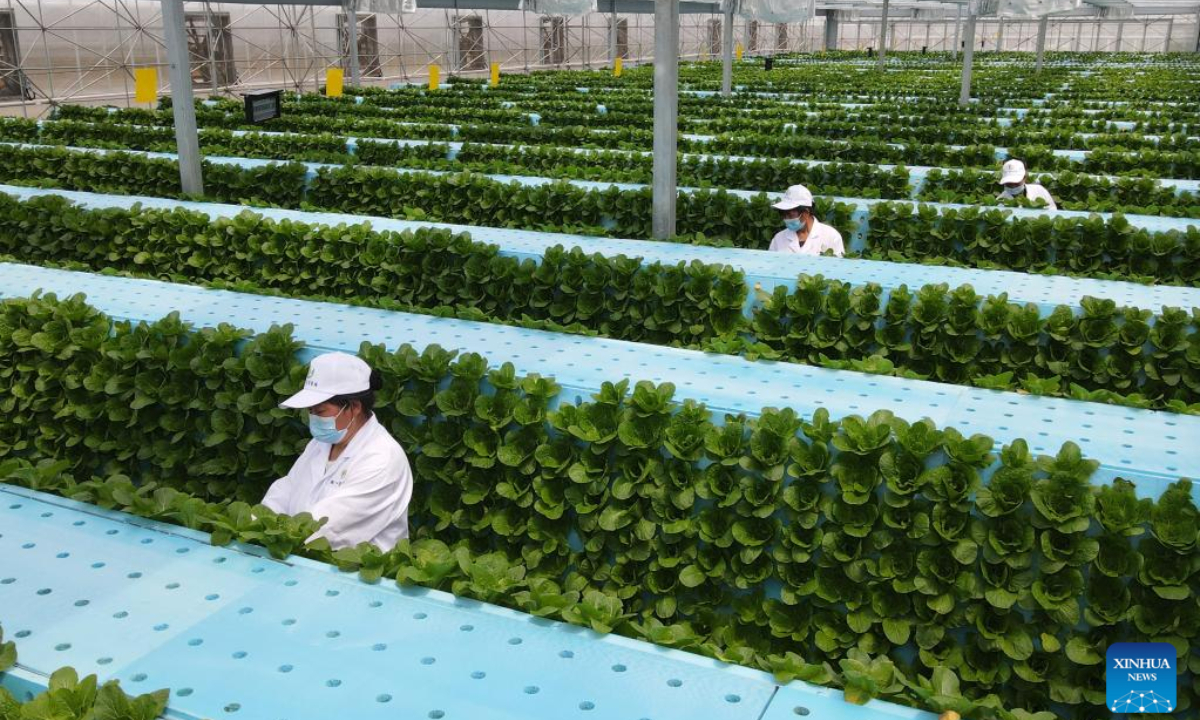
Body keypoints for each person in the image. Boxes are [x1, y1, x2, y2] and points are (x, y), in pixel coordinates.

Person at [262, 352, 412, 551]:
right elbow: (287, 489)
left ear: (354, 407)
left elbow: (328, 529)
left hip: (357, 572)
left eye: (320, 411)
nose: (313, 418)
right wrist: (258, 521)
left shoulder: (382, 459)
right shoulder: (320, 444)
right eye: (310, 411)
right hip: (305, 557)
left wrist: (274, 535)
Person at [768, 184, 846, 256]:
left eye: (790, 215)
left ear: (806, 213)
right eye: (783, 214)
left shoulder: (831, 236)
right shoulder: (779, 238)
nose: (786, 219)